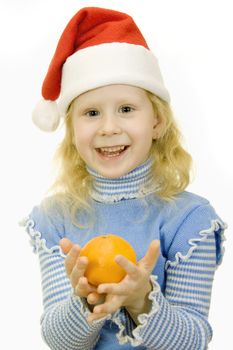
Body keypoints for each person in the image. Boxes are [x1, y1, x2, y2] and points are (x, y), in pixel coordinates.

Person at [21, 6, 227, 350]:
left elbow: (193, 341)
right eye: (91, 113)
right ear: (72, 131)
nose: (109, 127)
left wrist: (141, 299)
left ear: (157, 122)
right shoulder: (54, 219)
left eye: (127, 109)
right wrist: (85, 299)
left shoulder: (190, 220)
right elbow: (60, 343)